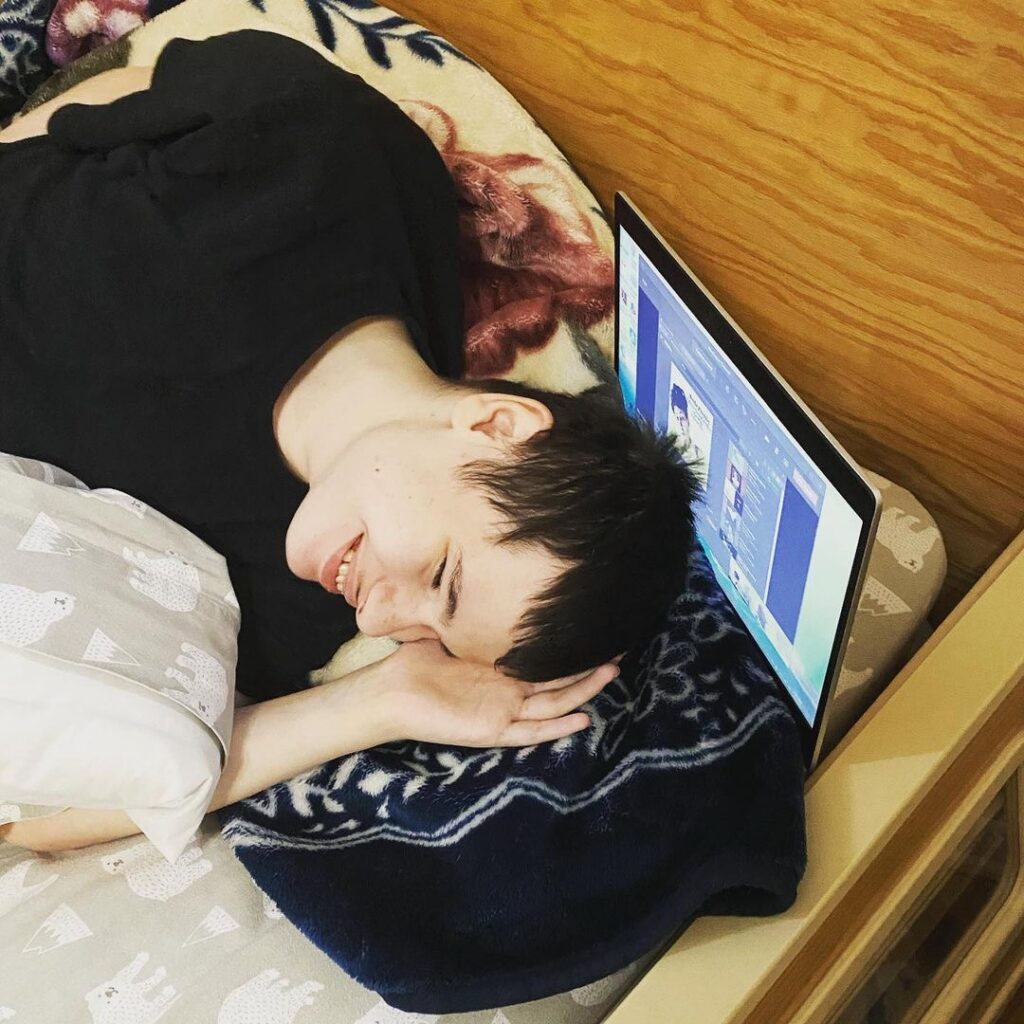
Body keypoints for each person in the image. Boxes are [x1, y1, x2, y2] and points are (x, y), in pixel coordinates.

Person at [0, 30, 701, 852]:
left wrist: (377, 700)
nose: (377, 612)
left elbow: (33, 816)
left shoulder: (279, 603)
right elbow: (118, 95)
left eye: (427, 639)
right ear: (495, 425)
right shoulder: (325, 162)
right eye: (441, 576)